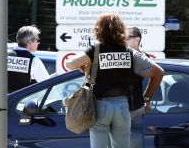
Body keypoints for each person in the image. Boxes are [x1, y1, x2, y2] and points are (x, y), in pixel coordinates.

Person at [66, 13, 164, 148]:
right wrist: (147, 98)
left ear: (99, 30)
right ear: (121, 31)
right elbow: (159, 72)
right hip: (123, 107)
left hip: (100, 106)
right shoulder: (129, 52)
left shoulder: (96, 50)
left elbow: (70, 63)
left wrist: (85, 67)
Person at [127, 27, 158, 148]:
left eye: (127, 38)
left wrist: (147, 99)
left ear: (137, 40)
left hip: (136, 108)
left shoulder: (144, 58)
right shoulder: (122, 55)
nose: (123, 40)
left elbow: (156, 76)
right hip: (123, 108)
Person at [8, 25, 50, 93]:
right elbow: (47, 84)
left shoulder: (3, 57)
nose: (38, 43)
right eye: (37, 40)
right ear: (29, 42)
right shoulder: (34, 61)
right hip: (21, 101)